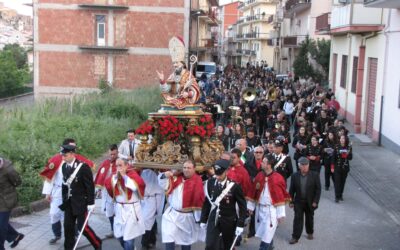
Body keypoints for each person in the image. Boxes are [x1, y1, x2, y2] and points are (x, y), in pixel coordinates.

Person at [40, 138, 95, 245]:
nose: (74, 148)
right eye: (71, 146)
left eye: (74, 147)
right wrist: (48, 192)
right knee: (54, 214)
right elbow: (49, 177)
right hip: (57, 191)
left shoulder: (79, 162)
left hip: (73, 194)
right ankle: (57, 234)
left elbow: (88, 184)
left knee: (69, 218)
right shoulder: (55, 160)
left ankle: (73, 235)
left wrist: (90, 201)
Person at [59, 144, 102, 250]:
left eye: (65, 155)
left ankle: (97, 244)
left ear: (72, 154)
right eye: (62, 155)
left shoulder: (83, 167)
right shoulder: (64, 166)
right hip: (69, 203)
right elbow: (65, 185)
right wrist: (64, 200)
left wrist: (91, 203)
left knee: (83, 228)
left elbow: (90, 186)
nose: (63, 158)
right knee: (68, 228)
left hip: (81, 203)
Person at [201, 159, 247, 250]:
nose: (217, 177)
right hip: (213, 219)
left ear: (226, 171)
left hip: (228, 221)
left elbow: (242, 206)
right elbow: (207, 203)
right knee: (210, 245)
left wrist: (240, 224)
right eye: (216, 174)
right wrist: (203, 219)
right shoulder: (210, 183)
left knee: (226, 246)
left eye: (220, 174)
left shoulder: (234, 186)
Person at [158, 160, 205, 250]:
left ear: (194, 169)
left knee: (186, 242)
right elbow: (163, 185)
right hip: (172, 215)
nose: (186, 170)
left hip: (187, 217)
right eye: (184, 168)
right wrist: (164, 176)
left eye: (189, 168)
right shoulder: (175, 178)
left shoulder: (197, 180)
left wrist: (200, 219)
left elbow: (199, 199)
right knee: (169, 237)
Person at [248, 154, 291, 250]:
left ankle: (264, 248)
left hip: (271, 211)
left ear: (269, 165)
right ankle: (270, 246)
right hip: (260, 209)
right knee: (265, 232)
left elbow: (280, 198)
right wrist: (251, 207)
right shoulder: (259, 175)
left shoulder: (278, 178)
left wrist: (280, 214)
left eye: (263, 162)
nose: (261, 163)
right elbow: (253, 191)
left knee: (267, 233)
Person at [104, 158, 146, 250]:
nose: (118, 168)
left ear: (127, 165)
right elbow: (108, 185)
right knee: (119, 235)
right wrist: (114, 179)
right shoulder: (115, 175)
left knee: (128, 239)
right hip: (119, 209)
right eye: (117, 165)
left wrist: (125, 177)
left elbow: (138, 186)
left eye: (120, 165)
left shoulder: (132, 174)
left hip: (131, 210)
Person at [156, 36, 200, 109]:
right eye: (173, 63)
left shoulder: (188, 75)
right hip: (174, 100)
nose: (175, 65)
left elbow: (195, 90)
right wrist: (162, 81)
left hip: (185, 102)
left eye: (177, 63)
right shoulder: (173, 75)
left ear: (182, 63)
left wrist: (188, 94)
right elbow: (166, 90)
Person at [289, 157, 321, 244]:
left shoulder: (314, 175)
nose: (305, 167)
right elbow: (292, 190)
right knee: (297, 219)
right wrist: (291, 201)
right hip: (298, 201)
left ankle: (310, 232)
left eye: (306, 165)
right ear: (299, 166)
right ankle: (295, 237)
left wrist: (315, 201)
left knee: (309, 218)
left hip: (310, 202)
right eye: (302, 165)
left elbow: (318, 190)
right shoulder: (295, 176)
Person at [94, 144, 118, 238]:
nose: (112, 156)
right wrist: (99, 189)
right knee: (109, 212)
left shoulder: (121, 163)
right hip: (107, 192)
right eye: (110, 154)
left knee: (118, 211)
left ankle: (120, 229)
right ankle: (113, 230)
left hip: (118, 192)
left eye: (114, 154)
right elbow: (100, 176)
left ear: (117, 152)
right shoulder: (105, 163)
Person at [0, 156, 24, 250]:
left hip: (6, 201)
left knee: (1, 226)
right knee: (1, 223)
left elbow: (17, 182)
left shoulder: (7, 169)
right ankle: (15, 236)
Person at [140, 168, 165, 249]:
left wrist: (158, 208)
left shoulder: (155, 175)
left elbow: (159, 193)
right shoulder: (142, 172)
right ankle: (152, 240)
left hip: (151, 200)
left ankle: (144, 244)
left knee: (147, 221)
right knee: (150, 221)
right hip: (143, 199)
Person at [333, 135, 353, 203]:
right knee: (337, 182)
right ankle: (336, 196)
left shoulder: (348, 147)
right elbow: (333, 158)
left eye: (343, 138)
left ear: (345, 139)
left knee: (342, 182)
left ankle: (340, 195)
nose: (342, 140)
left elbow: (350, 158)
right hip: (337, 167)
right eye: (341, 138)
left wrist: (347, 155)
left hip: (345, 168)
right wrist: (332, 167)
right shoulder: (336, 147)